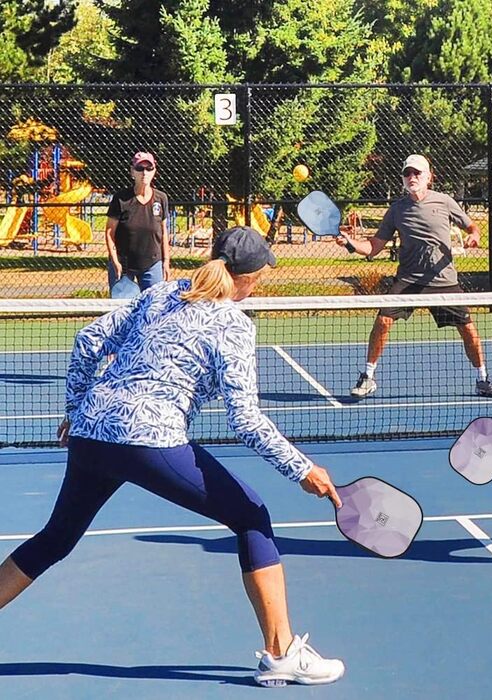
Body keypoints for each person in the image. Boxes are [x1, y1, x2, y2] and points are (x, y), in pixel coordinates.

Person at [0, 227, 345, 687]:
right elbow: (244, 419)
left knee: (56, 538)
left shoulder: (161, 293)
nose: (260, 284)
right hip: (148, 439)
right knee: (251, 516)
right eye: (261, 276)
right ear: (247, 277)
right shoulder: (233, 323)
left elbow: (87, 341)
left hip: (92, 431)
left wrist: (76, 409)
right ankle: (281, 652)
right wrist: (301, 468)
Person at [337, 154, 492, 399]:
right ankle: (368, 377)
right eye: (407, 173)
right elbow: (374, 247)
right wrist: (351, 243)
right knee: (383, 321)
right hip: (408, 280)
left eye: (417, 173)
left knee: (468, 329)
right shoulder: (396, 210)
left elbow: (472, 227)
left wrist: (475, 236)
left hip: (444, 281)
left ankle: (483, 380)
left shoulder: (445, 202)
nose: (412, 177)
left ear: (429, 177)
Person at [106, 151, 171, 293]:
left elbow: (164, 232)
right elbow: (110, 232)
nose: (144, 173)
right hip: (124, 265)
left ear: (154, 171)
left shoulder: (161, 198)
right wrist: (115, 261)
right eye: (140, 169)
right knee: (122, 309)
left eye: (149, 169)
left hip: (152, 263)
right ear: (132, 172)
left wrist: (166, 261)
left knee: (153, 307)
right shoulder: (121, 199)